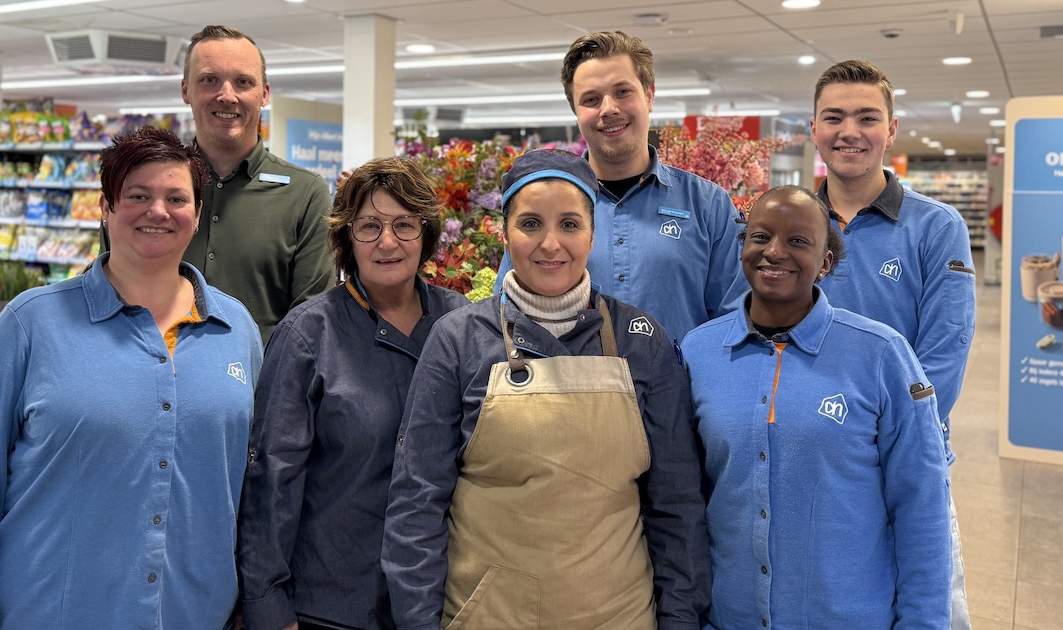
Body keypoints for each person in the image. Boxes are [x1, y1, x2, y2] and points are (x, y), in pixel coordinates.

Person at [0, 126, 264, 629]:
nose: (157, 211)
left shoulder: (236, 330)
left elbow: (247, 483)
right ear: (105, 209)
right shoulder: (31, 324)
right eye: (137, 196)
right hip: (48, 614)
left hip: (195, 615)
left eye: (176, 197)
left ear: (196, 216)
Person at [383, 149, 711, 629]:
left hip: (619, 616)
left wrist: (679, 620)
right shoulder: (458, 340)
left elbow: (677, 507)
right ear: (505, 232)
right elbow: (417, 501)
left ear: (593, 233)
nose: (551, 244)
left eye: (570, 225)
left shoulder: (642, 341)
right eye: (531, 223)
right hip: (487, 617)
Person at [682, 186, 951, 628]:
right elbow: (687, 498)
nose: (774, 252)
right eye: (760, 237)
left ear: (826, 262)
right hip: (731, 616)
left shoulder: (881, 354)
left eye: (798, 241)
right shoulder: (699, 351)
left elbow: (921, 504)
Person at [237, 157, 469, 630]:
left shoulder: (461, 324)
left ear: (426, 235)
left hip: (441, 599)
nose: (388, 242)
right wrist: (267, 605)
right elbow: (270, 480)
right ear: (345, 238)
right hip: (332, 603)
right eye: (369, 226)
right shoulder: (308, 334)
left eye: (405, 225)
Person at [810, 59, 976, 628]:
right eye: (833, 117)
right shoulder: (789, 224)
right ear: (814, 129)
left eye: (866, 117)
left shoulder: (937, 227)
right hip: (810, 450)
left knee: (927, 599)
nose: (848, 131)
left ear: (891, 130)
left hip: (903, 457)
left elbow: (944, 353)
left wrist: (893, 435)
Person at [495, 30, 742, 342]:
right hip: (569, 386)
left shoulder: (709, 205)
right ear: (576, 111)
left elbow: (733, 321)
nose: (608, 109)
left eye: (623, 92)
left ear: (649, 95)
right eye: (591, 99)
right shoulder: (541, 205)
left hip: (679, 389)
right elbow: (509, 311)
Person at [180, 24, 335, 344]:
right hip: (156, 386)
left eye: (243, 82)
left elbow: (311, 322)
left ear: (264, 94)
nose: (227, 95)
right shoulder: (146, 190)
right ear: (186, 90)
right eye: (209, 79)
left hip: (261, 390)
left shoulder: (304, 194)